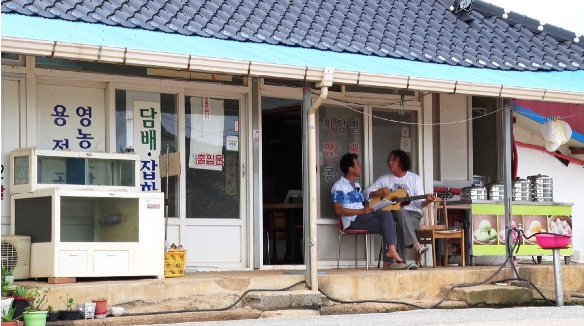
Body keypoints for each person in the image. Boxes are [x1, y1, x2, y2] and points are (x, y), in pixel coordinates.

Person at [331, 152, 407, 270]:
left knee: (387, 215)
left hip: (362, 216)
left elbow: (361, 204)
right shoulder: (338, 186)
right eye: (357, 164)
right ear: (350, 169)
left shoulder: (356, 185)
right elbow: (338, 210)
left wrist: (371, 209)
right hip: (352, 220)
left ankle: (391, 252)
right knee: (389, 224)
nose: (360, 167)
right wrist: (361, 212)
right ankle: (388, 262)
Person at [363, 149, 435, 268]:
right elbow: (366, 194)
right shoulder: (385, 179)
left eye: (393, 160)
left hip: (413, 216)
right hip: (393, 215)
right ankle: (416, 245)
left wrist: (427, 200)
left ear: (401, 162)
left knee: (400, 222)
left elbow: (418, 204)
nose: (390, 162)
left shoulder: (414, 179)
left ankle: (401, 262)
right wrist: (377, 192)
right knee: (400, 213)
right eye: (389, 160)